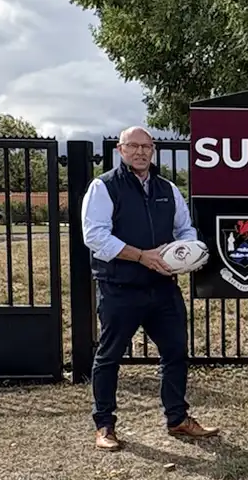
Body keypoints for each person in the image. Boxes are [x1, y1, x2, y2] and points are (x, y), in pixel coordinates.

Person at [80, 125, 218, 450]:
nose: (140, 152)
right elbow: (95, 236)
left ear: (152, 149)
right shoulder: (104, 187)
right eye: (133, 146)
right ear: (120, 149)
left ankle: (178, 419)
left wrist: (184, 253)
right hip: (119, 287)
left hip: (163, 286)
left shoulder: (167, 188)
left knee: (175, 353)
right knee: (109, 357)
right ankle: (105, 427)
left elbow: (185, 229)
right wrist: (141, 256)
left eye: (146, 146)